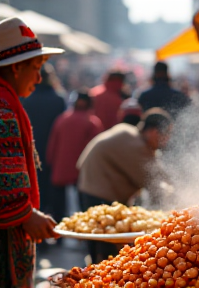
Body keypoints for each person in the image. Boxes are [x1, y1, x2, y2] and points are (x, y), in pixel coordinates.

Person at [0, 17, 64, 287]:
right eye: (36, 67)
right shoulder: (3, 111)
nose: (39, 78)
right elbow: (6, 181)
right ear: (16, 68)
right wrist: (26, 215)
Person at [77, 107, 173, 263]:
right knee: (105, 250)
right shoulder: (134, 144)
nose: (168, 139)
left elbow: (158, 171)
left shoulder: (129, 132)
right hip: (98, 193)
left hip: (90, 187)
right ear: (154, 132)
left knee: (98, 244)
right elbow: (152, 181)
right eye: (167, 133)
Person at [46, 88, 103, 224]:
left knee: (58, 203)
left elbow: (53, 143)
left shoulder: (62, 119)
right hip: (82, 168)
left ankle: (57, 232)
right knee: (83, 203)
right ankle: (84, 232)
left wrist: (50, 161)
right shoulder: (92, 122)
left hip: (61, 166)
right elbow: (96, 149)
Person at [22, 63, 66, 217]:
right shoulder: (59, 99)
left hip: (31, 148)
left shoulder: (25, 99)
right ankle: (54, 223)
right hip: (54, 150)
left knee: (35, 186)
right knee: (53, 188)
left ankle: (36, 216)